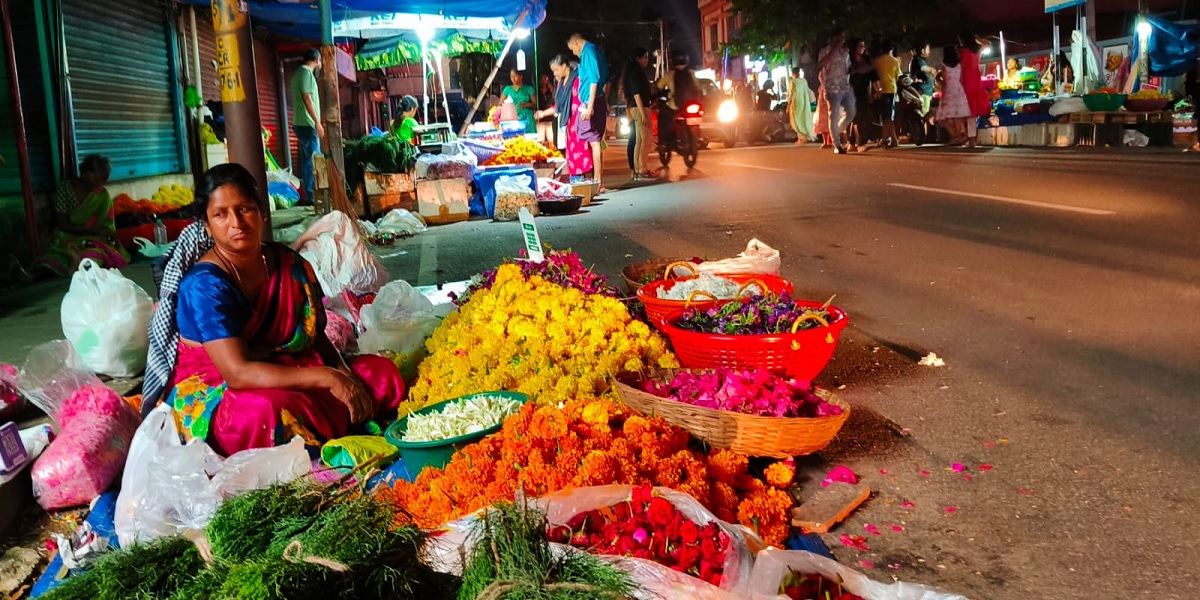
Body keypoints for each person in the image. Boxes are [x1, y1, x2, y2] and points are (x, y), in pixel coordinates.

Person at [143, 164, 404, 456]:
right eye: (221, 214)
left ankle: (326, 427)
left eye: (244, 209)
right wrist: (327, 378)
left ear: (262, 212)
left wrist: (343, 374)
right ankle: (331, 424)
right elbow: (238, 373)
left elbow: (313, 336)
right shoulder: (204, 286)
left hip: (289, 367)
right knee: (267, 412)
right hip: (221, 389)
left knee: (381, 373)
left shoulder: (288, 264)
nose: (236, 223)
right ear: (206, 224)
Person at [35, 155, 129, 276]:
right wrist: (90, 230)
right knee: (52, 262)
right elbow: (62, 224)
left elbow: (108, 225)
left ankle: (78, 269)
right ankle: (32, 276)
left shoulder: (102, 196)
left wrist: (107, 233)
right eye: (97, 179)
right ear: (85, 173)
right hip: (67, 237)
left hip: (93, 240)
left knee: (92, 256)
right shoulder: (65, 190)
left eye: (102, 181)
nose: (98, 185)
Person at [568, 33, 609, 188]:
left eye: (572, 48)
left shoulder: (589, 52)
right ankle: (597, 181)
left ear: (576, 42)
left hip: (591, 102)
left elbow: (594, 79)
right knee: (593, 141)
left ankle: (598, 182)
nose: (573, 52)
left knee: (594, 141)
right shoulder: (591, 51)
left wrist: (590, 105)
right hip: (594, 100)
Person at [290, 48, 323, 205]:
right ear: (317, 60)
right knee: (312, 161)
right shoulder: (306, 74)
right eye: (320, 61)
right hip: (308, 124)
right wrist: (317, 122)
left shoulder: (297, 74)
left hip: (300, 124)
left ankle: (308, 195)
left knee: (306, 161)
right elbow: (307, 98)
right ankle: (311, 197)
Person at [818, 28, 856, 154]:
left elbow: (848, 66)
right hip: (832, 88)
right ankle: (837, 145)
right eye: (840, 37)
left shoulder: (845, 52)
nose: (843, 40)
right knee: (833, 115)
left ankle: (836, 131)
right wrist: (835, 48)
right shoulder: (826, 51)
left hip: (845, 86)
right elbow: (821, 64)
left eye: (843, 37)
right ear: (834, 38)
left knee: (851, 112)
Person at [655, 51, 699, 154]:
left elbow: (659, 86)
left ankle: (663, 143)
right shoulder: (691, 72)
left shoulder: (670, 74)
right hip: (691, 104)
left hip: (675, 105)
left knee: (662, 116)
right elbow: (698, 87)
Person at [622, 47, 656, 180]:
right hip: (640, 108)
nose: (647, 60)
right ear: (638, 58)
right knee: (646, 140)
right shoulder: (636, 73)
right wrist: (643, 114)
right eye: (645, 57)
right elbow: (636, 94)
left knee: (639, 140)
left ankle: (638, 169)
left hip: (636, 108)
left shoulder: (632, 71)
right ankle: (643, 169)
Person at [958, 31, 992, 148]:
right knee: (972, 112)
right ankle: (971, 138)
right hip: (976, 81)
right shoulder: (977, 50)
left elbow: (961, 67)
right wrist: (978, 38)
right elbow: (988, 44)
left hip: (967, 82)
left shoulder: (963, 51)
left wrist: (959, 82)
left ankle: (970, 138)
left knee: (967, 112)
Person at [935, 45, 971, 146]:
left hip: (949, 92)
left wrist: (942, 91)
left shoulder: (945, 67)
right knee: (957, 116)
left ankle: (956, 136)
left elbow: (945, 82)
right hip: (959, 92)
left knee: (946, 118)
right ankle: (961, 134)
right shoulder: (960, 66)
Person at [873, 41, 902, 149]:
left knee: (886, 116)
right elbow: (898, 76)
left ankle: (887, 139)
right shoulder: (895, 61)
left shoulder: (876, 61)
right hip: (891, 89)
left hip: (880, 90)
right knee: (888, 116)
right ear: (892, 49)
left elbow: (874, 76)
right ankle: (890, 139)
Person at [849, 39, 875, 151]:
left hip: (864, 91)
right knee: (856, 116)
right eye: (859, 46)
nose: (862, 49)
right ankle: (858, 142)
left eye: (863, 46)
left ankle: (852, 142)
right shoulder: (849, 60)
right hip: (851, 91)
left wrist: (877, 89)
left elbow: (873, 74)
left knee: (860, 116)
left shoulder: (866, 59)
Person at [501, 69, 537, 134]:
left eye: (515, 76)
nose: (513, 79)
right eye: (511, 77)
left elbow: (535, 105)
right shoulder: (507, 89)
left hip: (527, 119)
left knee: (530, 140)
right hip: (512, 119)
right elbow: (500, 104)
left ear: (521, 76)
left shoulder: (529, 89)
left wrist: (526, 105)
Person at [910, 43, 937, 128]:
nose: (929, 51)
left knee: (926, 113)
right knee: (925, 114)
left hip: (925, 91)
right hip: (923, 91)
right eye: (928, 49)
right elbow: (923, 68)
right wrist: (931, 69)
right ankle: (924, 135)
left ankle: (926, 134)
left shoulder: (918, 60)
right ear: (922, 50)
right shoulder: (918, 60)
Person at [787, 68, 814, 144]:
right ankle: (803, 137)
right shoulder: (804, 81)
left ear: (792, 73)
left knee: (796, 120)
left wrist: (788, 105)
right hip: (804, 103)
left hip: (796, 103)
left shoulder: (793, 82)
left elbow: (791, 94)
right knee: (803, 118)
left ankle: (801, 138)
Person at [536, 73, 556, 144]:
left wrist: (552, 90)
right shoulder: (537, 91)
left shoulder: (551, 90)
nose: (544, 81)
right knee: (541, 140)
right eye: (542, 79)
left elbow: (555, 100)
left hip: (549, 117)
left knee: (551, 139)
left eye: (545, 79)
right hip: (540, 118)